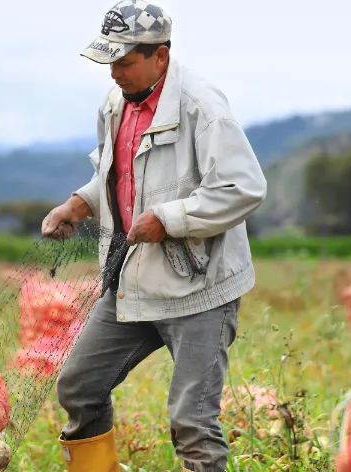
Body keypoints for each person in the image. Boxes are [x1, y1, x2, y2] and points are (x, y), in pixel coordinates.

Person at [41, 1, 268, 471]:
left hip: (201, 288)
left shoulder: (202, 106)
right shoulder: (113, 105)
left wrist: (168, 219)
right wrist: (78, 204)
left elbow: (244, 188)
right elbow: (115, 176)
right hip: (134, 277)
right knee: (79, 387)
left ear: (160, 56)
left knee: (191, 420)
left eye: (125, 62)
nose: (114, 73)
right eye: (110, 62)